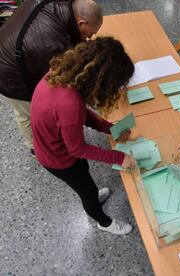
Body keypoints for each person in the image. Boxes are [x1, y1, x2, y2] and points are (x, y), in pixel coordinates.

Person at [30, 37, 135, 235]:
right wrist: (120, 157)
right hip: (57, 159)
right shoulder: (70, 104)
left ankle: (94, 195)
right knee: (85, 190)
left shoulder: (63, 74)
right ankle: (103, 222)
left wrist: (111, 129)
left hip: (52, 146)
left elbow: (81, 115)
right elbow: (76, 149)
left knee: (84, 175)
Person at [0, 0, 103, 154]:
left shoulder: (63, 7)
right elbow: (64, 82)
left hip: (10, 46)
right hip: (10, 78)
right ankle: (37, 149)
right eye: (88, 34)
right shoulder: (51, 46)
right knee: (29, 111)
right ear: (81, 22)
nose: (89, 38)